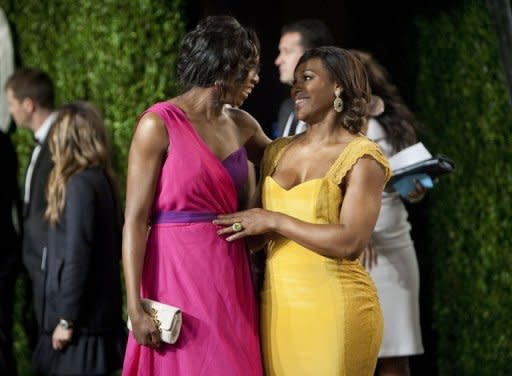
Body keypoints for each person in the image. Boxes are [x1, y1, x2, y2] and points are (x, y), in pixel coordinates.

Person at [214, 47, 391, 375]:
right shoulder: (277, 151)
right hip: (278, 312)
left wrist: (275, 220)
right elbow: (251, 233)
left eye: (307, 78)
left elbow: (351, 241)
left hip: (337, 309)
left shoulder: (363, 157)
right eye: (294, 82)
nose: (295, 88)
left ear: (338, 86)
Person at [122, 15, 270, 375]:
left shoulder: (243, 125)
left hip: (229, 274)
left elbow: (287, 164)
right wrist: (134, 305)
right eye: (247, 68)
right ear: (221, 70)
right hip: (173, 272)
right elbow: (134, 220)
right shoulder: (158, 124)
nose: (255, 78)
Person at [31, 101, 125, 375]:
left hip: (81, 330)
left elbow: (77, 256)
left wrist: (66, 319)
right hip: (93, 325)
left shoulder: (80, 184)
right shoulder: (102, 178)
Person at [353, 50, 425, 376]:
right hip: (354, 244)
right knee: (358, 351)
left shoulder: (394, 123)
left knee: (397, 350)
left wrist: (416, 188)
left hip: (395, 240)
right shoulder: (334, 124)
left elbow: (411, 182)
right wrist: (355, 230)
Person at [5, 68, 57, 340]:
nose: (10, 112)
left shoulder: (60, 143)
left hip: (52, 268)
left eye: (11, 104)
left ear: (28, 104)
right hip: (38, 266)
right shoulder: (41, 143)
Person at [273, 19, 334, 137]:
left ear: (312, 55)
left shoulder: (336, 108)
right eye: (280, 52)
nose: (278, 61)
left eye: (287, 51)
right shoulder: (287, 108)